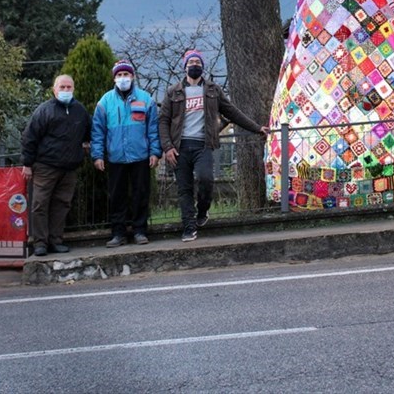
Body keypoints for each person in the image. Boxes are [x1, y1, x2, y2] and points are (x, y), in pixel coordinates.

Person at [159, 49, 270, 242]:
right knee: (184, 189)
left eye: (198, 62)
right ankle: (189, 227)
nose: (194, 65)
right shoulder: (173, 92)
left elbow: (232, 112)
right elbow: (163, 121)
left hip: (204, 144)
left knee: (206, 179)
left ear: (202, 66)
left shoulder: (212, 90)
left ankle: (202, 211)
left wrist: (257, 128)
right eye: (191, 62)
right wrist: (167, 147)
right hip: (180, 147)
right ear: (185, 66)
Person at [92, 60, 162, 247]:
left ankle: (140, 231)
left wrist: (155, 152)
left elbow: (153, 129)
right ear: (114, 78)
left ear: (132, 76)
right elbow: (98, 131)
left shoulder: (146, 99)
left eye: (126, 74)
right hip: (116, 157)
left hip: (140, 156)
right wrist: (98, 155)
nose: (123, 78)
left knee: (141, 194)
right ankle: (118, 233)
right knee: (117, 196)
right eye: (119, 75)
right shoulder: (105, 102)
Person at [21, 75, 91, 257]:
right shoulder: (44, 111)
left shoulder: (80, 111)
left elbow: (88, 132)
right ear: (54, 89)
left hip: (69, 168)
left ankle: (56, 240)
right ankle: (40, 243)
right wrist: (27, 164)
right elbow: (30, 138)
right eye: (62, 87)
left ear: (73, 89)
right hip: (45, 166)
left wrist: (86, 145)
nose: (66, 90)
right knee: (40, 204)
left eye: (69, 87)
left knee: (62, 205)